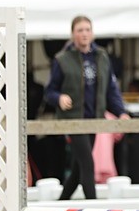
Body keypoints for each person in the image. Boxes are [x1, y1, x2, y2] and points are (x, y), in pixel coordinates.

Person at [44, 16, 129, 200]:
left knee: (78, 167)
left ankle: (61, 202)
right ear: (73, 34)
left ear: (92, 33)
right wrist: (59, 98)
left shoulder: (102, 57)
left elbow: (111, 90)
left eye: (87, 30)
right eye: (80, 30)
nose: (84, 34)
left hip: (94, 120)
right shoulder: (62, 59)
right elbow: (49, 91)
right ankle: (93, 206)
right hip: (73, 121)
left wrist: (121, 112)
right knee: (88, 163)